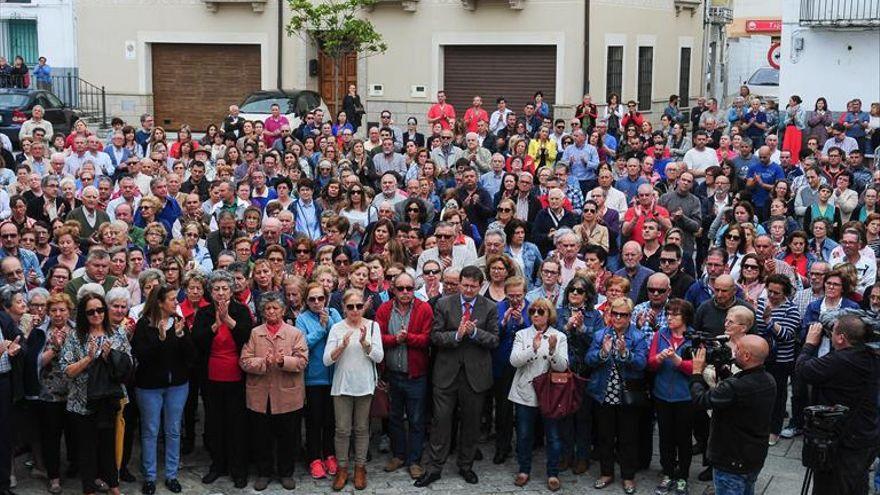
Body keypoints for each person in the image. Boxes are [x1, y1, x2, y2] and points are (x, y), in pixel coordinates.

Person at [415, 266, 499, 488]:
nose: (469, 289)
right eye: (465, 285)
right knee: (441, 422)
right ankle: (434, 467)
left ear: (480, 286)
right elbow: (434, 336)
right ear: (459, 283)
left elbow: (494, 340)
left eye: (473, 286)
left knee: (471, 424)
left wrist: (473, 333)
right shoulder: (444, 304)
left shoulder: (489, 307)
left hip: (475, 376)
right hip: (446, 373)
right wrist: (457, 335)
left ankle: (466, 465)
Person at [797, 314, 880, 495]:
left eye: (832, 332)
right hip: (864, 436)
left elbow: (803, 370)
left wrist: (809, 344)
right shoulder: (869, 356)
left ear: (841, 338)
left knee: (831, 487)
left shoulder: (841, 361)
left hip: (842, 442)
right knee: (856, 485)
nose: (830, 336)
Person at [60, 292, 132, 495]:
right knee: (87, 448)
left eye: (100, 309)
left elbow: (129, 364)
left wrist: (112, 356)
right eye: (91, 311)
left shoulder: (117, 333)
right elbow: (66, 371)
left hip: (108, 399)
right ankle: (88, 488)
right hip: (82, 402)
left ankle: (113, 484)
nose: (96, 314)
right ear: (84, 314)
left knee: (108, 444)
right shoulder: (75, 337)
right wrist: (88, 359)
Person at [691, 334, 776, 495]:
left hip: (731, 460)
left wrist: (696, 372)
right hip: (754, 456)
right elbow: (739, 394)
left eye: (737, 349)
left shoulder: (736, 387)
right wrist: (724, 372)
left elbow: (701, 400)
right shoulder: (769, 380)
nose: (733, 352)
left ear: (746, 356)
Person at [239, 291, 308, 491]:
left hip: (287, 395)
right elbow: (244, 361)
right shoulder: (254, 333)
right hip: (260, 395)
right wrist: (263, 362)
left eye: (275, 308)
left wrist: (282, 361)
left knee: (288, 436)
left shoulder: (295, 333)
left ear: (283, 310)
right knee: (262, 437)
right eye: (267, 308)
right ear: (262, 312)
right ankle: (264, 472)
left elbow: (302, 361)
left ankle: (286, 473)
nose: (271, 311)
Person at [192, 270, 254, 488]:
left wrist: (228, 320)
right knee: (215, 423)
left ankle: (239, 469)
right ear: (210, 291)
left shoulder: (241, 310)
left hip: (236, 375)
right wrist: (216, 325)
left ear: (231, 290)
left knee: (237, 424)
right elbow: (197, 340)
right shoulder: (204, 313)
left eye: (224, 288)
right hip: (211, 375)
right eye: (216, 289)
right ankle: (218, 465)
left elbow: (248, 334)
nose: (220, 293)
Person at [130, 284, 195, 495]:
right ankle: (150, 476)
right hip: (149, 386)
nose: (176, 302)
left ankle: (171, 475)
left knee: (173, 430)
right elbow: (143, 356)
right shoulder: (144, 325)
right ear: (159, 302)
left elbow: (191, 356)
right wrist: (161, 339)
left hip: (177, 385)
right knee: (150, 431)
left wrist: (181, 336)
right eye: (172, 299)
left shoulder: (179, 323)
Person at [323, 289, 384, 491]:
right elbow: (326, 360)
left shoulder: (373, 326)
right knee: (342, 430)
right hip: (342, 385)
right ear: (344, 308)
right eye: (351, 306)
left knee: (361, 429)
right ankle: (342, 468)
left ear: (363, 307)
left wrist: (365, 342)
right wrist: (341, 346)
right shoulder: (337, 328)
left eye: (359, 306)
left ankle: (360, 467)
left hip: (364, 385)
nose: (355, 310)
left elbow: (379, 357)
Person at [586, 297, 648, 494]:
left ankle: (628, 476)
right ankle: (606, 472)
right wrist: (602, 354)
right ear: (610, 314)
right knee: (605, 436)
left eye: (623, 314)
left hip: (626, 394)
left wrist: (625, 354)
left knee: (628, 437)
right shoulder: (600, 335)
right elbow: (589, 360)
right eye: (615, 314)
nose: (618, 318)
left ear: (630, 317)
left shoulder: (637, 337)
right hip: (603, 393)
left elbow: (641, 364)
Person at [508, 297, 569, 491]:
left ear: (548, 315)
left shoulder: (559, 336)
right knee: (524, 434)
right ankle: (524, 470)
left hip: (550, 393)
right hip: (525, 390)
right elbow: (514, 361)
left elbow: (563, 366)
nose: (535, 315)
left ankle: (552, 473)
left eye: (540, 311)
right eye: (533, 311)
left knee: (553, 435)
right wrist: (532, 348)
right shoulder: (522, 334)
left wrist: (551, 350)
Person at [647, 298, 695, 495]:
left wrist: (678, 361)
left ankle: (682, 476)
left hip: (685, 397)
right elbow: (650, 363)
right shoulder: (660, 334)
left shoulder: (693, 337)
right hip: (662, 394)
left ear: (685, 317)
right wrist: (658, 359)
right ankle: (667, 473)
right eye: (668, 314)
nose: (669, 318)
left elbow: (696, 368)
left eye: (675, 314)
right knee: (665, 437)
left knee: (683, 438)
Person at [296, 282, 342, 480]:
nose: (317, 303)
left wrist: (329, 323)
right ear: (306, 301)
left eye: (320, 298)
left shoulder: (334, 314)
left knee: (331, 420)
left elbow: (341, 337)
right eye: (312, 299)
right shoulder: (302, 318)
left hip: (335, 377)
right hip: (314, 378)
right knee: (314, 420)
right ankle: (314, 457)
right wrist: (322, 330)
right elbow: (302, 344)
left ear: (327, 299)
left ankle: (329, 454)